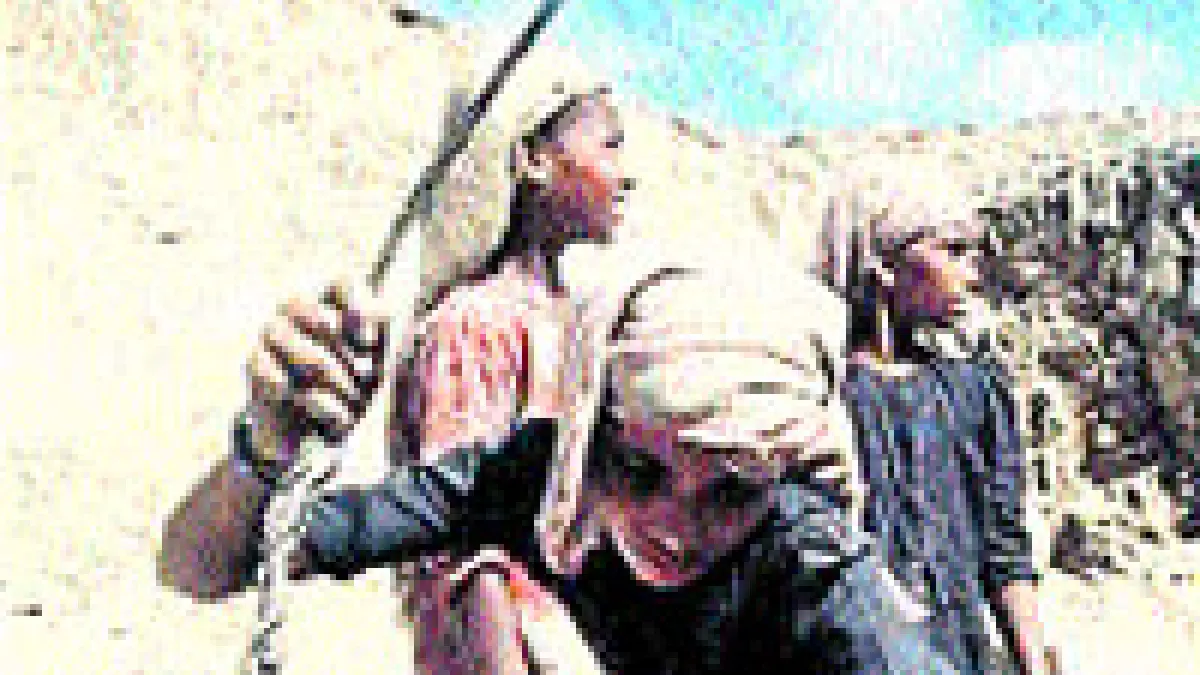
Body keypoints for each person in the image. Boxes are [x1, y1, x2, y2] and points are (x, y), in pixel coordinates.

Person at [158, 58, 962, 674]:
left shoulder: (818, 572)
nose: (676, 527)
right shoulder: (534, 474)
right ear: (589, 429)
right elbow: (201, 563)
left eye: (730, 491)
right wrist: (266, 449)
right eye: (641, 472)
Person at [816, 157, 1061, 675]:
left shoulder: (974, 389)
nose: (970, 272)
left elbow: (1004, 546)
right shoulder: (821, 395)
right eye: (952, 250)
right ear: (885, 264)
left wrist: (1034, 657)